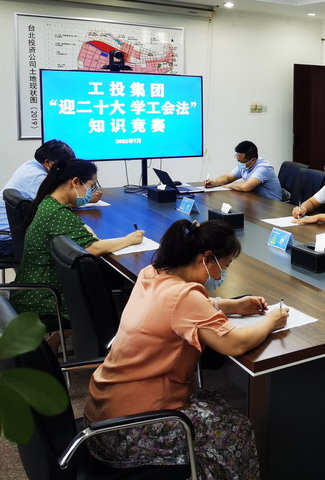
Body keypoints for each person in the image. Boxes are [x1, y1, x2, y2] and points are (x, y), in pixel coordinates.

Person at [84, 218, 289, 479]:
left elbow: (181, 309)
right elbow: (234, 343)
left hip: (101, 418)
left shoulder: (152, 273)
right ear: (207, 258)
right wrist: (271, 321)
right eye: (225, 266)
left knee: (216, 406)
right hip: (128, 431)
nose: (222, 275)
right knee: (235, 430)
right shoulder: (185, 297)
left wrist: (231, 305)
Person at [10, 159, 143, 330]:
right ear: (75, 182)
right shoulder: (57, 213)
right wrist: (129, 239)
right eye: (91, 186)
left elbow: (83, 232)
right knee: (116, 291)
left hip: (33, 290)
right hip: (45, 297)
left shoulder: (49, 203)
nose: (92, 192)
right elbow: (92, 249)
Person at [0, 140, 101, 255]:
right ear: (47, 162)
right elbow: (60, 203)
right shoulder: (37, 177)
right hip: (7, 239)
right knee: (72, 247)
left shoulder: (30, 166)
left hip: (12, 232)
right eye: (62, 166)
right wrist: (86, 197)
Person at [205, 140, 282, 200]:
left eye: (241, 161)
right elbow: (228, 177)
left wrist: (230, 185)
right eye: (238, 160)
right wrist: (215, 182)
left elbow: (245, 186)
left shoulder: (264, 168)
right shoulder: (245, 165)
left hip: (271, 205)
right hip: (255, 200)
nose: (239, 163)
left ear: (253, 160)